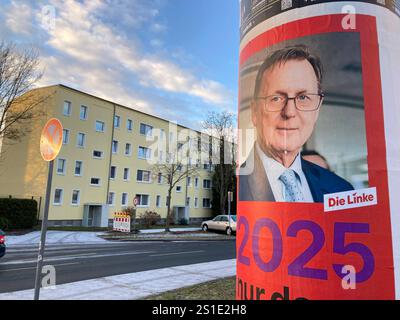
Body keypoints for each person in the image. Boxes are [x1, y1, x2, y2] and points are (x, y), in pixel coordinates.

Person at [239, 45, 353, 203]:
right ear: (255, 112)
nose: (289, 112)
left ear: (317, 108)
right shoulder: (234, 185)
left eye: (303, 97)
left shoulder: (341, 190)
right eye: (276, 98)